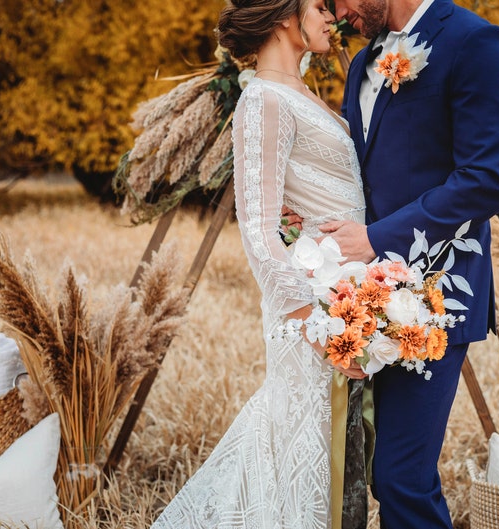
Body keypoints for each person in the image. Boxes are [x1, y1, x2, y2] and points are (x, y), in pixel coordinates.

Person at [149, 0, 367, 527]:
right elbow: (259, 231)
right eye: (318, 6)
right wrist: (319, 330)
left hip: (344, 301)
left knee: (333, 451)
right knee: (300, 446)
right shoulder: (263, 101)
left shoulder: (300, 92)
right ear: (284, 17)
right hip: (310, 313)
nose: (329, 16)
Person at [317, 0, 499, 527]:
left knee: (401, 477)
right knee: (366, 473)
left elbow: (488, 179)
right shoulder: (364, 62)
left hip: (435, 299)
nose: (337, 12)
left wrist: (377, 239)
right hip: (362, 303)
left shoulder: (477, 43)